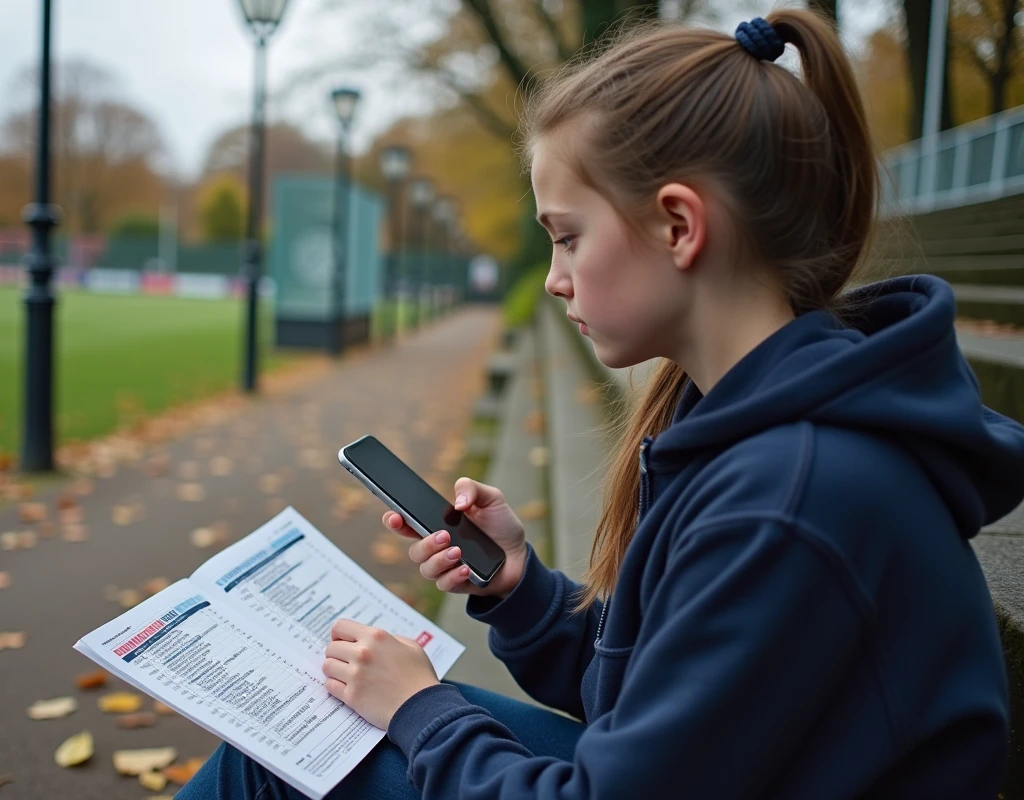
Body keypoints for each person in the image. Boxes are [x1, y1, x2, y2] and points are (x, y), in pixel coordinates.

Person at [178, 9, 1024, 799]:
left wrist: (418, 710)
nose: (554, 277)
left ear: (679, 228)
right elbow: (647, 701)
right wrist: (520, 590)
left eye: (569, 235)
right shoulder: (741, 424)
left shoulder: (788, 499)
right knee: (287, 744)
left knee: (281, 765)